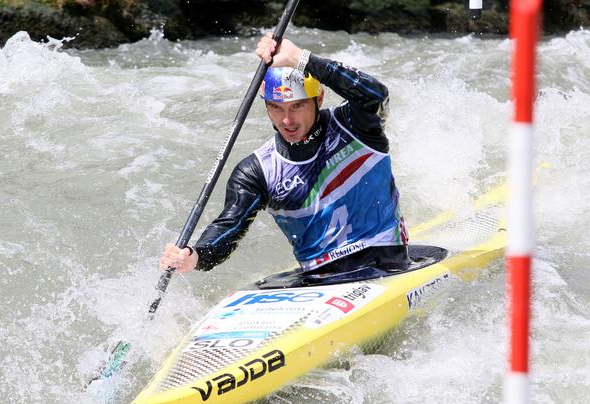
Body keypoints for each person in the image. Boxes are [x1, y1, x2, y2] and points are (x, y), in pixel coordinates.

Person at [160, 33, 408, 275]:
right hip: (319, 278)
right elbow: (229, 226)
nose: (287, 120)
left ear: (318, 98)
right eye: (276, 107)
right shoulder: (257, 170)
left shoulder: (355, 126)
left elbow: (375, 94)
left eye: (297, 105)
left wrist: (299, 57)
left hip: (386, 263)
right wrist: (196, 255)